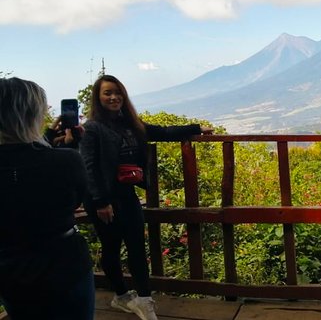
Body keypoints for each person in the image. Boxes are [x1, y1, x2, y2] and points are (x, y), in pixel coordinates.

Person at [79, 75, 213, 320]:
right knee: (111, 248)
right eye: (107, 93)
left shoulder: (129, 123)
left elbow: (162, 131)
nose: (114, 97)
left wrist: (195, 129)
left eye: (118, 92)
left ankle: (143, 299)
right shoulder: (92, 128)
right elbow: (89, 167)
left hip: (126, 195)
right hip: (103, 199)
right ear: (98, 98)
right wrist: (100, 202)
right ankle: (121, 295)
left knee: (137, 247)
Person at [0, 78, 94, 320]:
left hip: (11, 269)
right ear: (34, 114)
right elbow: (73, 199)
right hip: (65, 264)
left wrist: (49, 136)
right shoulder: (64, 161)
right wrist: (69, 149)